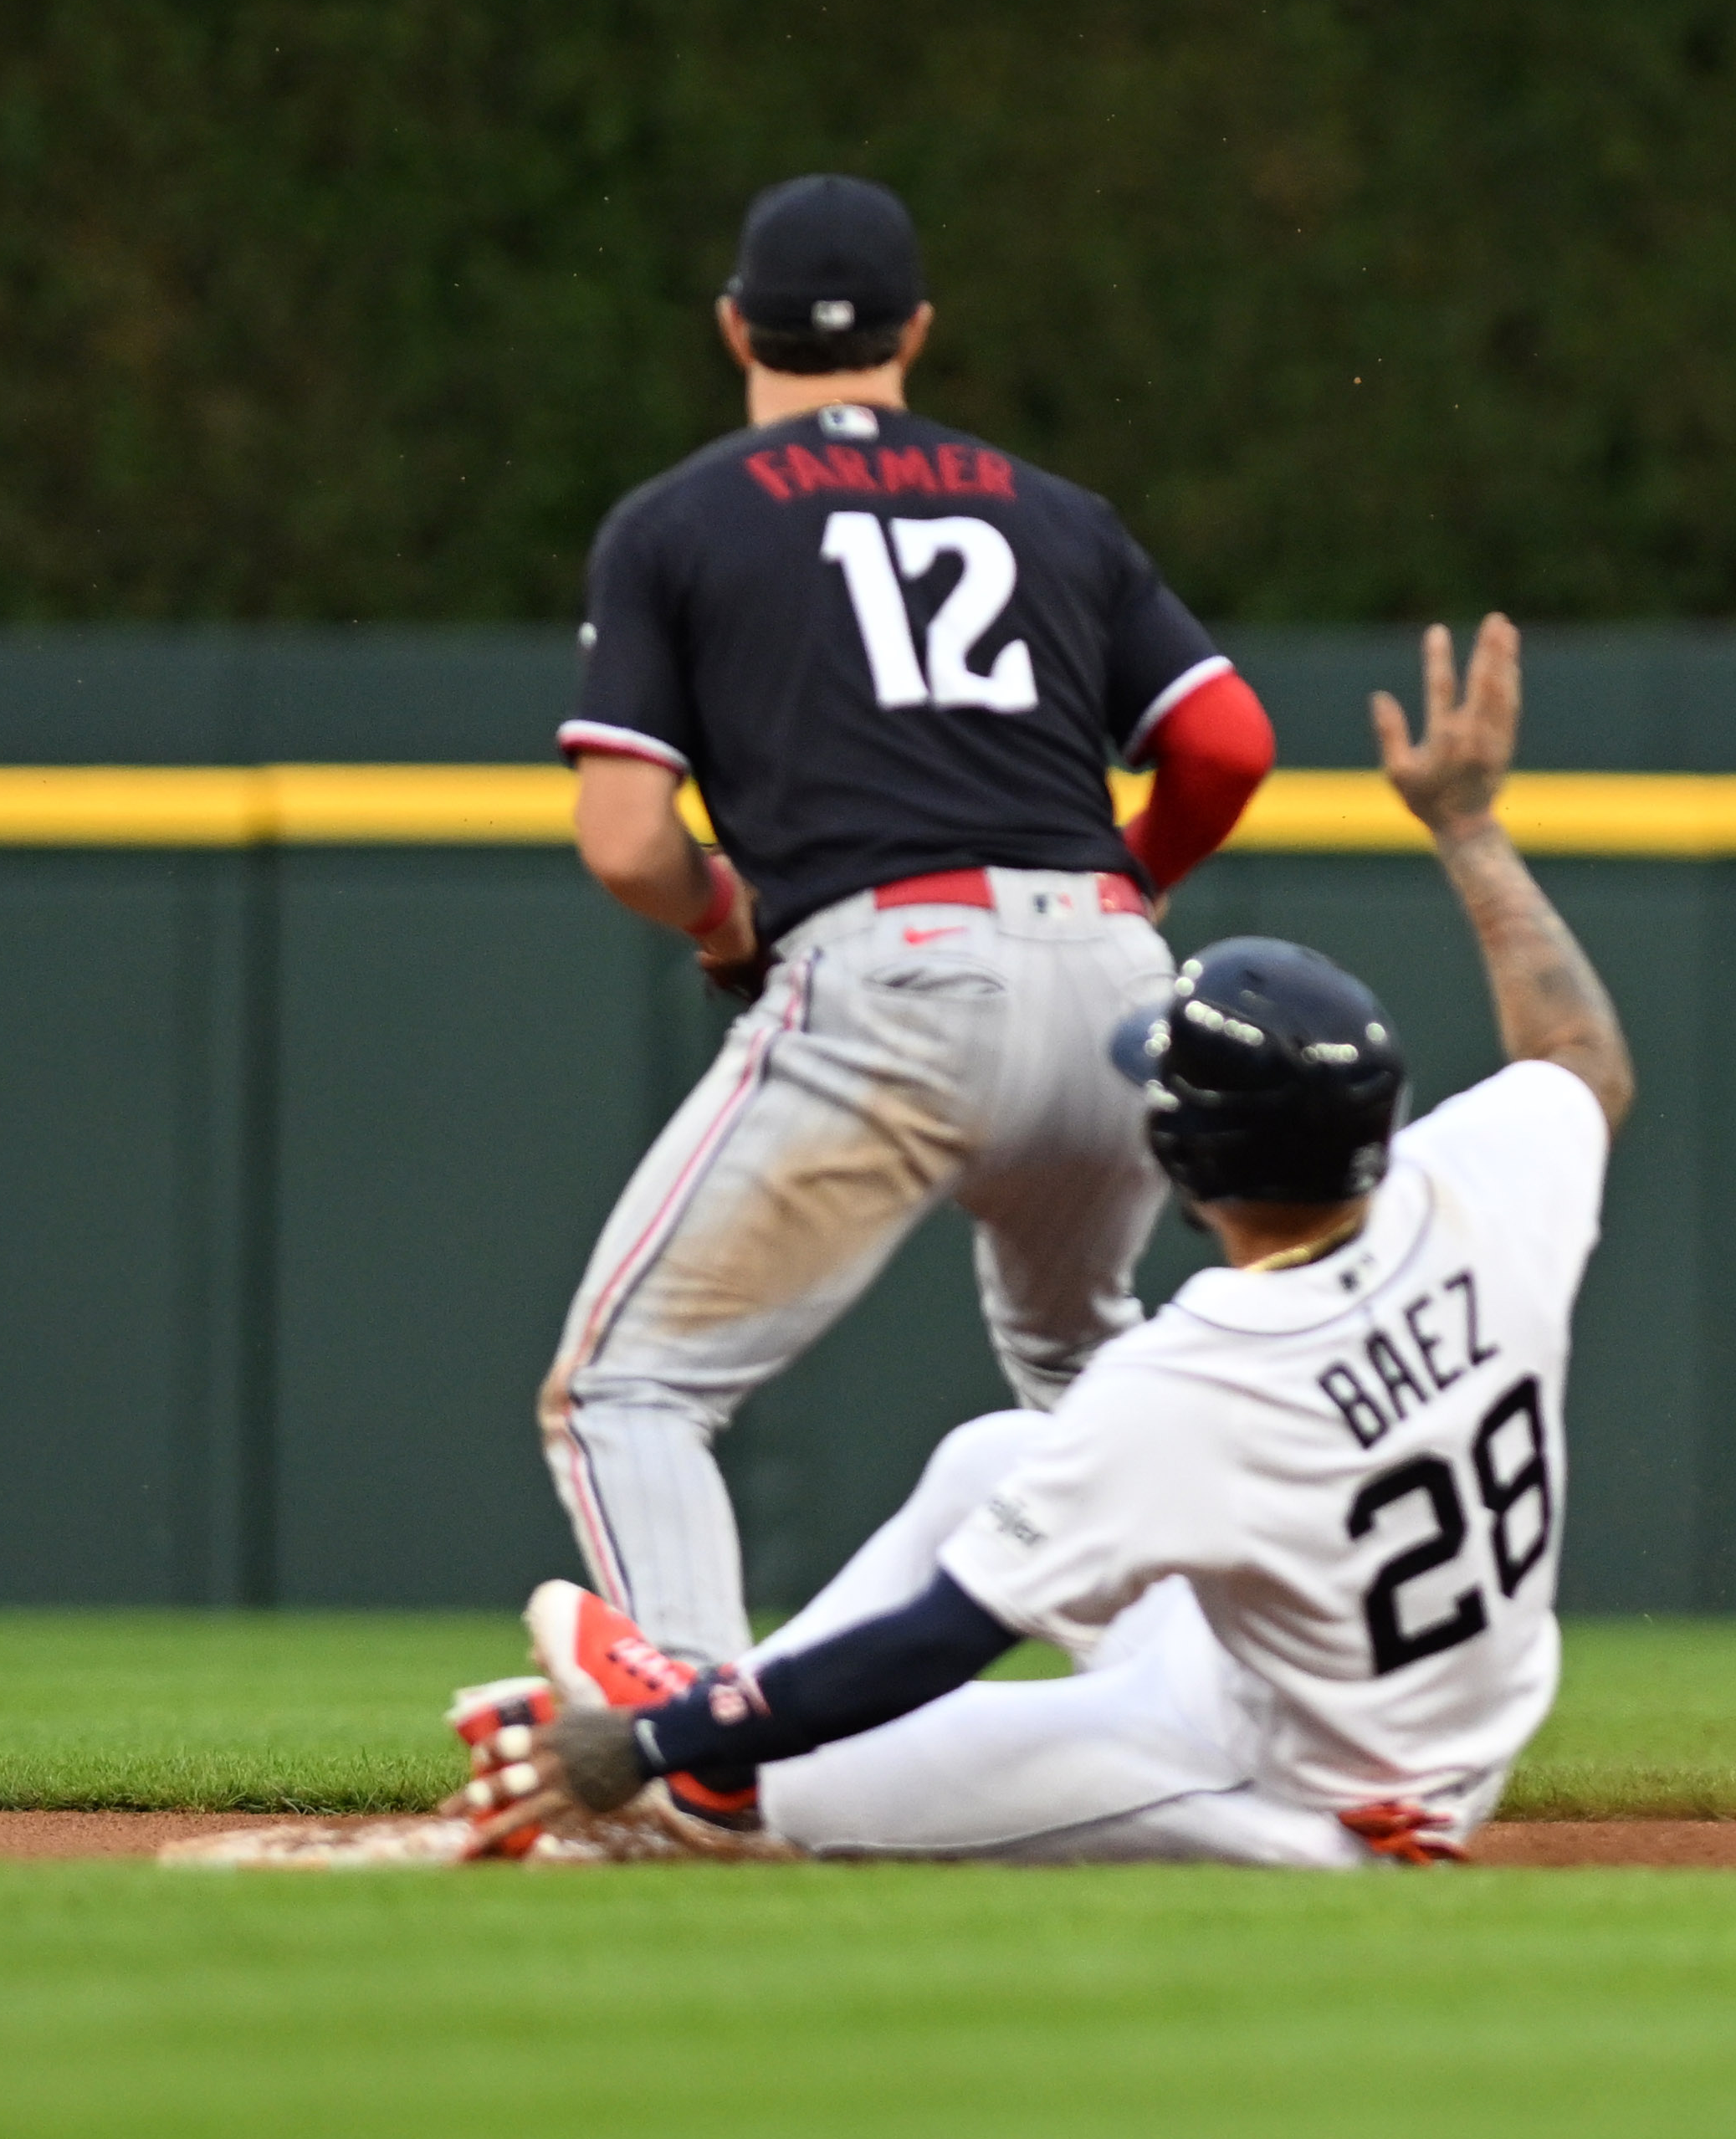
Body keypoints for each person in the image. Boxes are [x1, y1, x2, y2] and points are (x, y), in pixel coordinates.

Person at [459, 613, 1631, 1867]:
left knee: (783, 1786)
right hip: (1393, 1710)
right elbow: (1577, 1059)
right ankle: (714, 1725)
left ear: (1190, 1163)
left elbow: (942, 1636)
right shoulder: (1480, 1193)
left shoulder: (1203, 1377)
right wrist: (1467, 824)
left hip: (1312, 1797)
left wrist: (641, 1747)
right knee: (996, 1454)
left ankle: (712, 1776)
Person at [541, 173, 1278, 1703]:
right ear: (917, 331)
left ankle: (697, 1745)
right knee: (1087, 1379)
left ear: (734, 324)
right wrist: (1127, 887)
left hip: (893, 973)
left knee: (630, 1385)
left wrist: (724, 913)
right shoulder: (1054, 511)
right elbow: (1225, 743)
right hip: (1111, 985)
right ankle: (1250, 1698)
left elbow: (625, 843)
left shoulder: (680, 520)